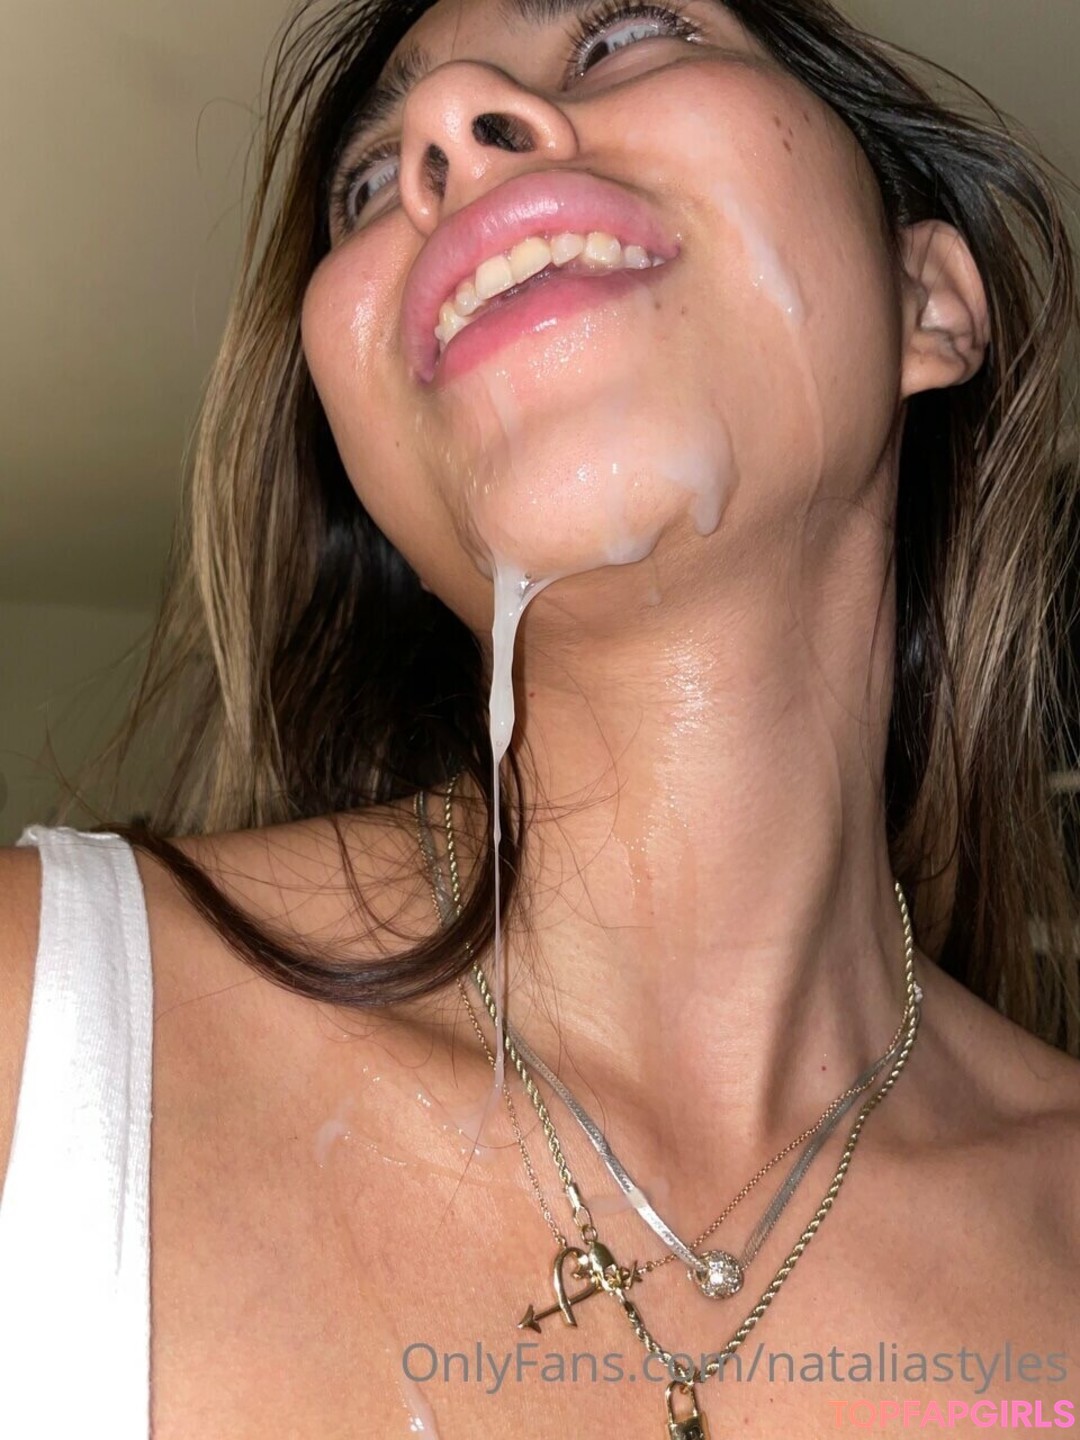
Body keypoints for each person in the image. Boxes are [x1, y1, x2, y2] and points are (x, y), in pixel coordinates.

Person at [1, 0, 1079, 1434]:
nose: (449, 121)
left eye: (626, 32)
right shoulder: (32, 1030)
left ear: (927, 298)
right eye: (369, 182)